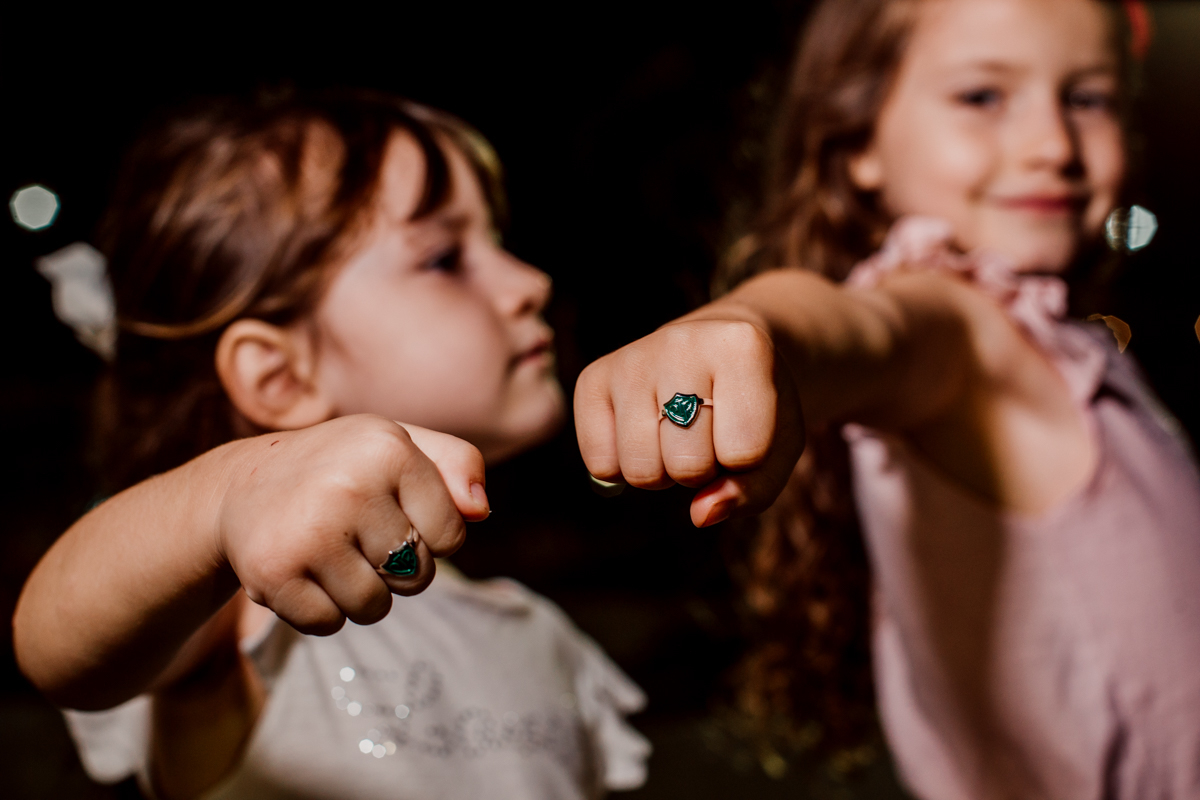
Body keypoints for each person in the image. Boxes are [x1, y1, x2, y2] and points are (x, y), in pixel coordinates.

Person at [574, 0, 1200, 796]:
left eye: (1089, 97)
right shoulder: (956, 322)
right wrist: (748, 330)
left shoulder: (1059, 337)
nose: (1053, 146)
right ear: (858, 139)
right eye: (982, 96)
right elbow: (858, 327)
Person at [13, 91, 649, 800]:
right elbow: (56, 645)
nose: (532, 283)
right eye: (445, 259)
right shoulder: (239, 610)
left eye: (496, 241)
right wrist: (228, 496)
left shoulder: (542, 636)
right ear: (281, 378)